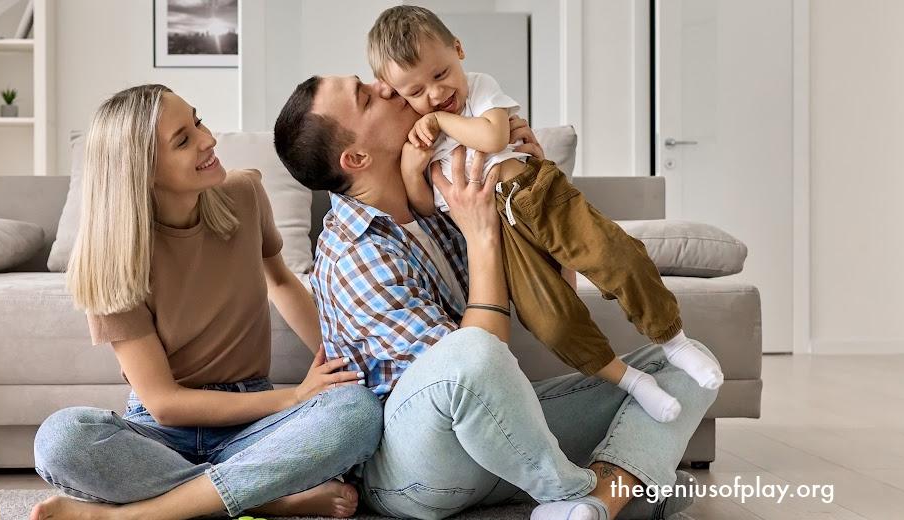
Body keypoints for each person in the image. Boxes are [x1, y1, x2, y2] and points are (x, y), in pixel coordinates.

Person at [274, 74, 719, 520]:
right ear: (356, 158)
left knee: (685, 366)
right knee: (469, 354)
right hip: (412, 468)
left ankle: (598, 504)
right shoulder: (354, 254)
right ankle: (584, 489)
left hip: (498, 439)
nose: (386, 86)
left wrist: (532, 197)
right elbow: (474, 369)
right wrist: (483, 235)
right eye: (367, 97)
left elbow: (555, 300)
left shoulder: (443, 195)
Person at [29, 84, 383, 520]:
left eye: (197, 121)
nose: (208, 139)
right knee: (60, 439)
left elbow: (283, 284)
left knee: (356, 412)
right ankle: (265, 497)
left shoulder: (245, 195)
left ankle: (133, 515)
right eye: (183, 139)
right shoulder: (111, 260)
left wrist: (339, 363)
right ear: (141, 169)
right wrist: (293, 398)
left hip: (252, 423)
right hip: (162, 433)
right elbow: (165, 403)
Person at [364, 5, 723, 424]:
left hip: (536, 193)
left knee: (616, 258)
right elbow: (424, 206)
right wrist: (412, 164)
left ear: (458, 50)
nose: (434, 93)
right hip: (501, 233)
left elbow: (494, 135)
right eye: (415, 91)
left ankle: (674, 342)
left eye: (440, 74)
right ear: (396, 92)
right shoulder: (415, 132)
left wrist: (442, 120)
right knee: (549, 321)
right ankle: (631, 381)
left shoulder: (478, 91)